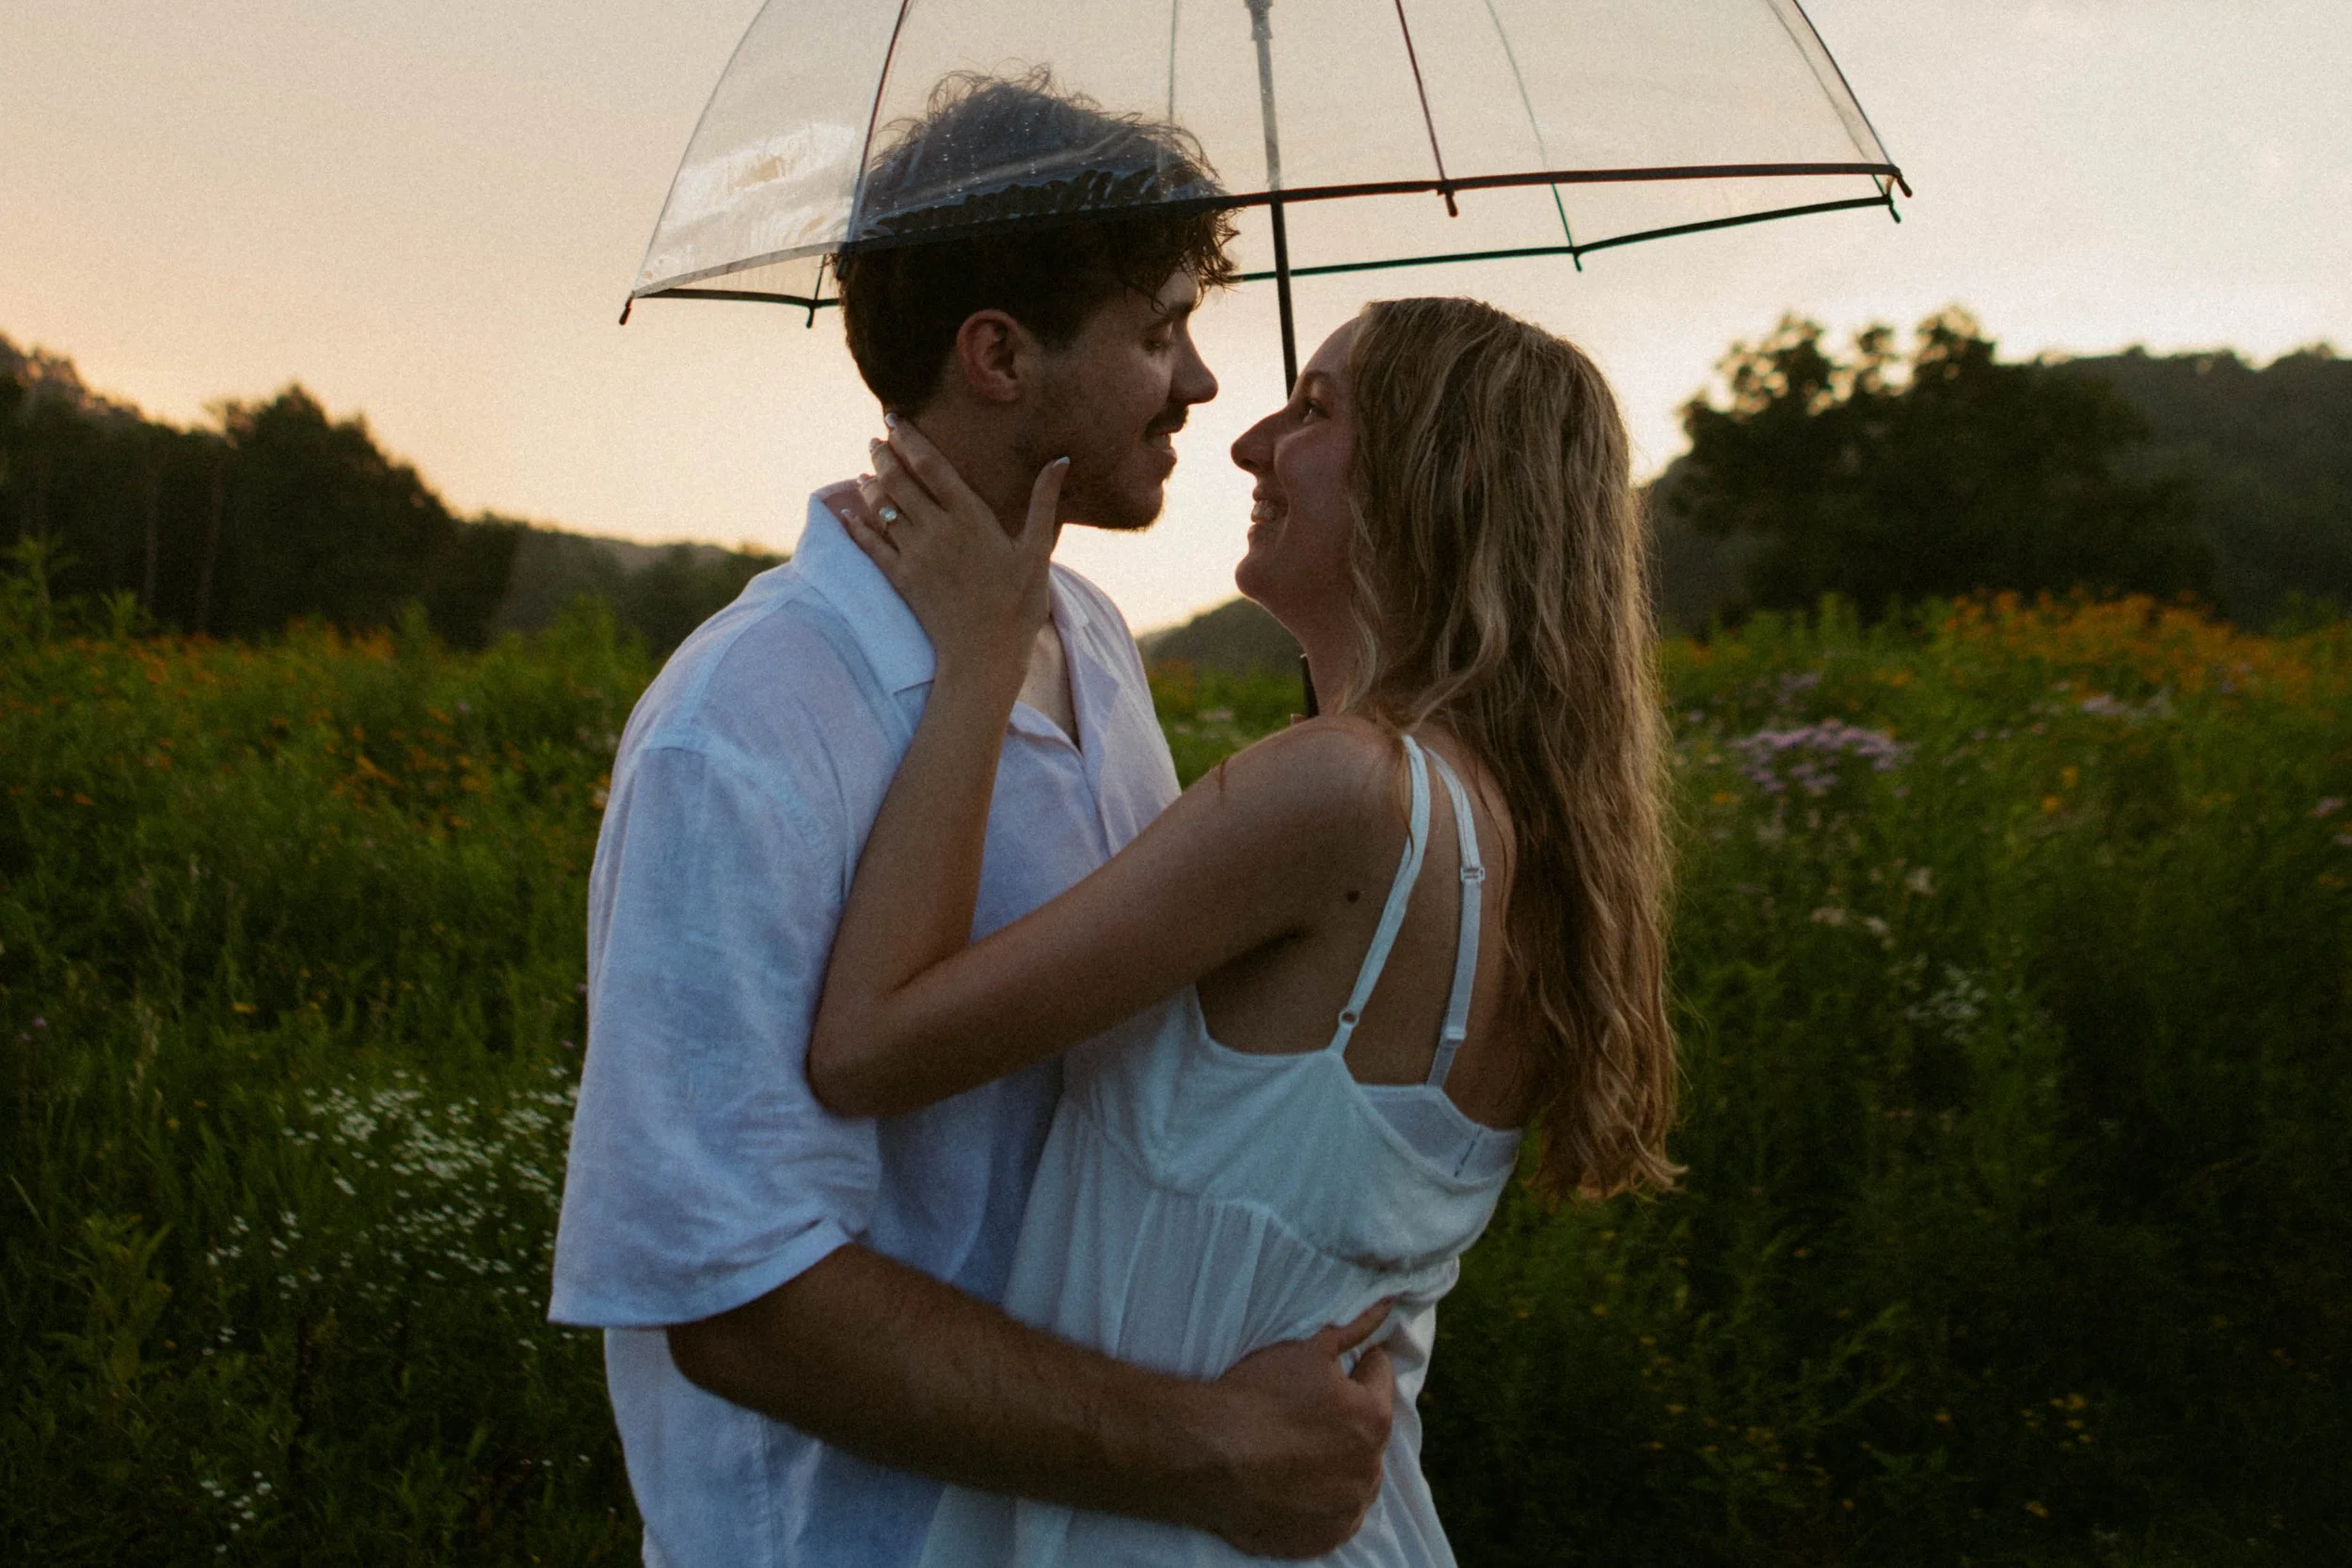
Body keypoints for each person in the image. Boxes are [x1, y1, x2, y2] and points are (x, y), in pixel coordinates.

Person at [551, 74, 1398, 1568]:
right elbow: (738, 1304)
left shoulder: (1095, 637)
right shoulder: (742, 724)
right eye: (1156, 331)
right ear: (998, 355)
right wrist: (1205, 1448)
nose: (1202, 384)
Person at [808, 296, 1681, 1565]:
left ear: (1445, 476)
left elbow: (868, 1043)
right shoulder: (1521, 836)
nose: (1249, 443)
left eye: (1316, 410)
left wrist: (981, 658)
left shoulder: (1337, 793)